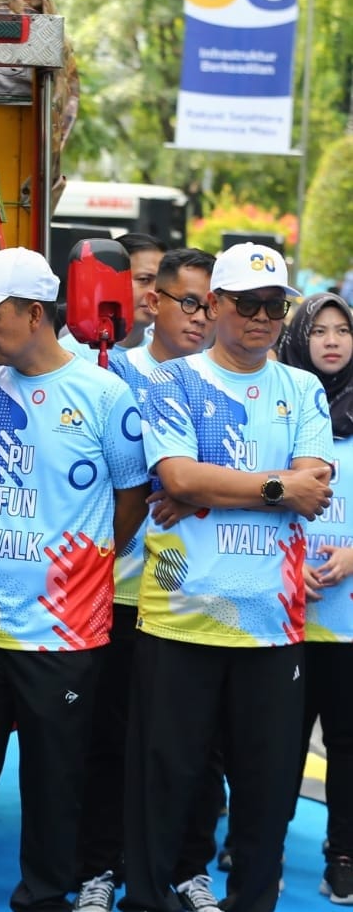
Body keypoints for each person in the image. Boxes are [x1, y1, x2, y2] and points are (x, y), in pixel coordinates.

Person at [0, 247, 150, 912]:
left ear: (35, 314)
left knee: (54, 786)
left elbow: (131, 496)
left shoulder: (105, 394)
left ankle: (44, 900)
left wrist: (84, 561)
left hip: (64, 632)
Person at [122, 242, 334, 912]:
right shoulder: (171, 381)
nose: (263, 317)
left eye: (275, 306)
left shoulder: (301, 387)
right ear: (214, 304)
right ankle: (146, 900)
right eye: (248, 304)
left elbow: (313, 485)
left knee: (264, 796)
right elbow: (178, 477)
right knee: (162, 785)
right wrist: (271, 486)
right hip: (179, 618)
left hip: (272, 626)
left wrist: (210, 489)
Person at [73, 248, 223, 912]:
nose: (200, 317)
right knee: (107, 742)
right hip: (117, 594)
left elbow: (236, 477)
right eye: (188, 302)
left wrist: (194, 490)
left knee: (196, 748)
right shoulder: (106, 373)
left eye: (210, 305)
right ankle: (98, 869)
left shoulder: (226, 381)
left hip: (200, 595)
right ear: (153, 302)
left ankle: (187, 870)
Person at [276, 292, 353, 904]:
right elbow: (254, 495)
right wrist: (287, 565)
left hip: (347, 623)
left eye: (343, 330)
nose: (331, 340)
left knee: (348, 745)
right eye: (319, 330)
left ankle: (344, 855)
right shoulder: (280, 410)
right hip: (281, 615)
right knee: (273, 741)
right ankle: (259, 843)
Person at [62, 232, 166, 363]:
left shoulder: (168, 356)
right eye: (144, 279)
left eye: (162, 282)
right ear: (109, 280)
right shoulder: (68, 355)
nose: (155, 293)